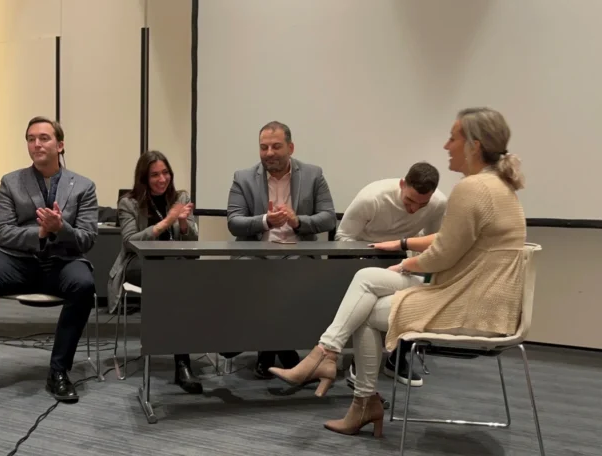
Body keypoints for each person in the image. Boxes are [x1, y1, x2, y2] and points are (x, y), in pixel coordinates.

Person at [269, 107, 527, 437]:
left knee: (364, 309)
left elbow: (442, 254)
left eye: (452, 138)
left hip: (470, 308)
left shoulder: (473, 188)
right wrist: (405, 250)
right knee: (365, 281)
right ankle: (331, 361)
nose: (446, 146)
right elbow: (451, 243)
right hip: (489, 305)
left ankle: (350, 387)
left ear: (474, 146)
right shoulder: (499, 186)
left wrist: (404, 262)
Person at [0, 116, 98, 403]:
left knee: (84, 285)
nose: (36, 144)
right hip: (18, 261)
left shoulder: (84, 186)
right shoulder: (11, 181)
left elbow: (87, 238)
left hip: (63, 262)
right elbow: (1, 232)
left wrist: (60, 228)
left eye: (44, 138)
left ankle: (58, 370)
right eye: (30, 139)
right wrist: (40, 232)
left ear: (60, 145)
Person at [224, 120, 336, 378]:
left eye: (276, 146)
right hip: (257, 254)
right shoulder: (243, 177)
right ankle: (282, 351)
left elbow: (329, 218)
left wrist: (298, 221)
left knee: (291, 283)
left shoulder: (313, 175)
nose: (269, 153)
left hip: (298, 253)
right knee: (259, 282)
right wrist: (265, 220)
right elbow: (234, 222)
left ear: (290, 148)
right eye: (263, 147)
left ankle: (266, 349)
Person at [336, 162, 447, 390]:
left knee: (413, 297)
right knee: (368, 292)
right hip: (364, 253)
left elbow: (433, 242)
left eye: (422, 204)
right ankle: (361, 358)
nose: (414, 209)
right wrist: (360, 262)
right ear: (402, 184)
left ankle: (396, 358)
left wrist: (415, 265)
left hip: (400, 256)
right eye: (409, 201)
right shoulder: (372, 197)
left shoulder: (438, 203)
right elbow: (344, 237)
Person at [106, 150, 202, 394]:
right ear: (144, 178)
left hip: (173, 266)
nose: (162, 179)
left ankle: (187, 354)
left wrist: (182, 223)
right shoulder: (129, 202)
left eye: (165, 173)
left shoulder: (180, 197)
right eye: (155, 175)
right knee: (177, 283)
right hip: (138, 263)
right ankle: (182, 363)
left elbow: (193, 240)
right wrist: (166, 223)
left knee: (187, 281)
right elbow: (130, 241)